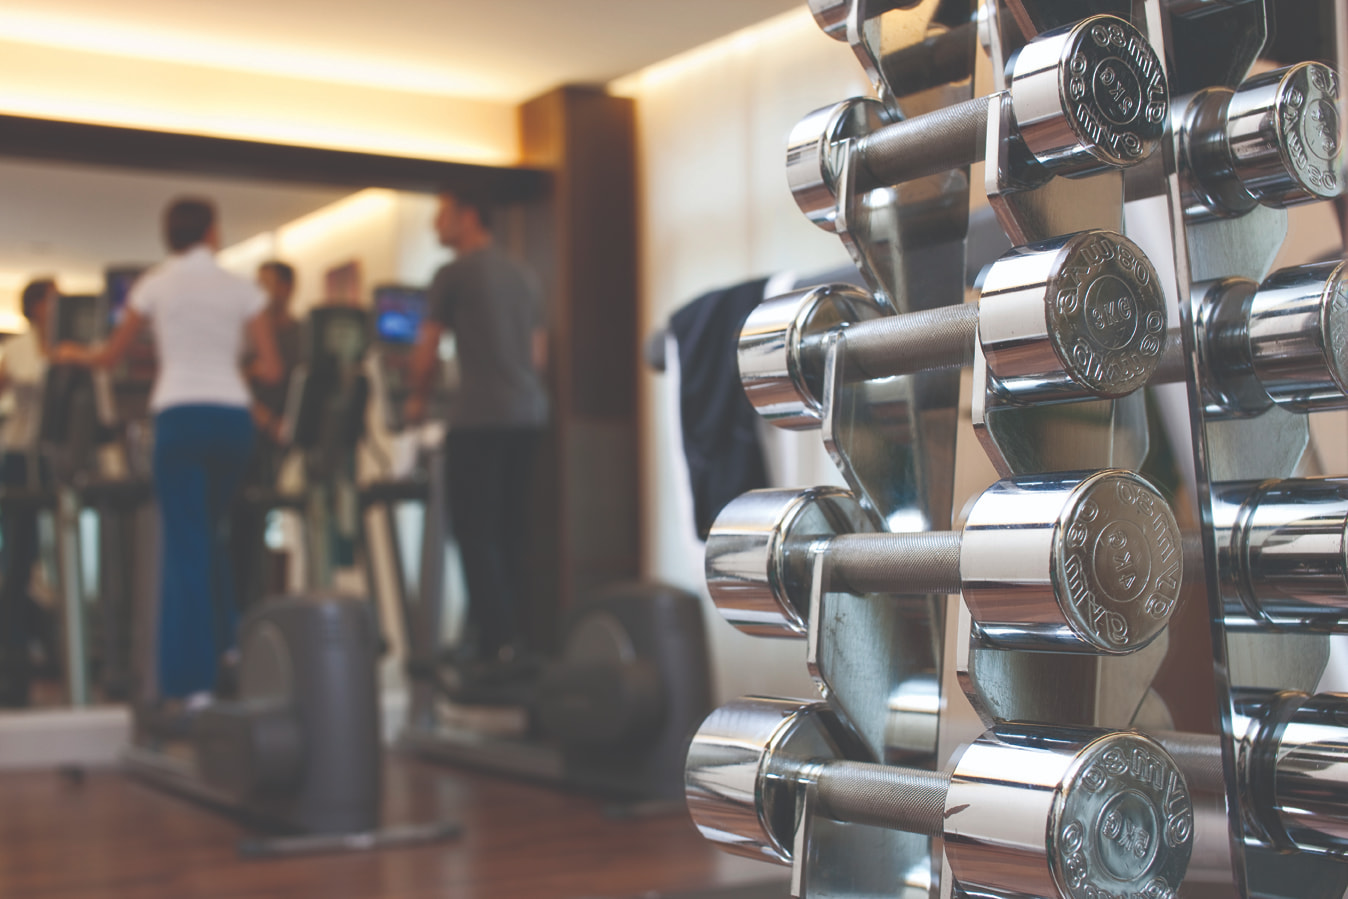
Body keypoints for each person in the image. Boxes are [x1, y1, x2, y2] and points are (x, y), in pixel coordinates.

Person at [57, 197, 282, 706]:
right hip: (231, 422)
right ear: (212, 231)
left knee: (186, 546)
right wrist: (228, 374)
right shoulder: (243, 288)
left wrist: (72, 352)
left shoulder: (153, 284)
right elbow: (271, 368)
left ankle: (192, 684)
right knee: (212, 533)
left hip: (180, 415)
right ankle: (229, 646)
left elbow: (110, 356)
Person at [405, 190, 548, 666]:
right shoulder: (524, 275)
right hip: (527, 414)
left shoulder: (453, 273)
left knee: (473, 531)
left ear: (467, 218)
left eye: (441, 216)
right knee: (508, 530)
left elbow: (426, 351)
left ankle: (495, 642)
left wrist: (416, 401)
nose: (435, 227)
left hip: (480, 416)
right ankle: (506, 639)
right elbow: (537, 356)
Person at [0, 279, 57, 706]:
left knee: (44, 555)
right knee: (20, 558)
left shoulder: (72, 347)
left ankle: (46, 642)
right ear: (38, 305)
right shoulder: (18, 348)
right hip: (21, 457)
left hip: (53, 457)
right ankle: (15, 646)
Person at [247, 260, 302, 452]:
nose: (258, 293)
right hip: (251, 442)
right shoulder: (247, 339)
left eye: (265, 285)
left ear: (286, 288)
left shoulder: (303, 336)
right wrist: (270, 423)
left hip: (293, 443)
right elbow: (235, 389)